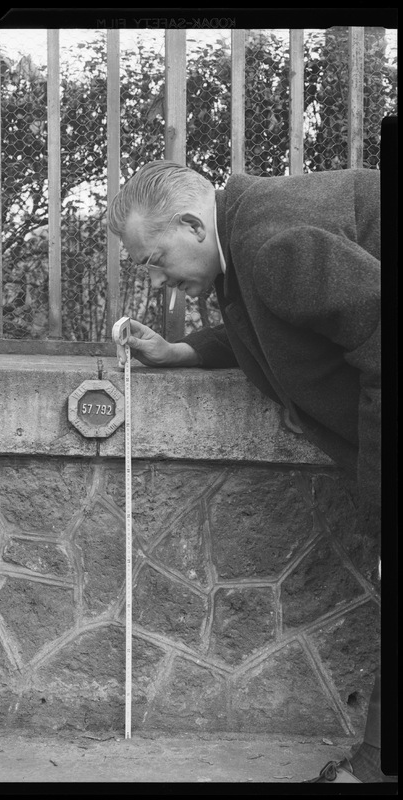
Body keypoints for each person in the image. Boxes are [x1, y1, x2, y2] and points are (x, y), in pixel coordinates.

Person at [108, 160, 386, 783]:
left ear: (189, 225)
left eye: (152, 260)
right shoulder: (243, 245)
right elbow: (274, 321)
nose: (154, 280)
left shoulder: (269, 242)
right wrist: (183, 351)